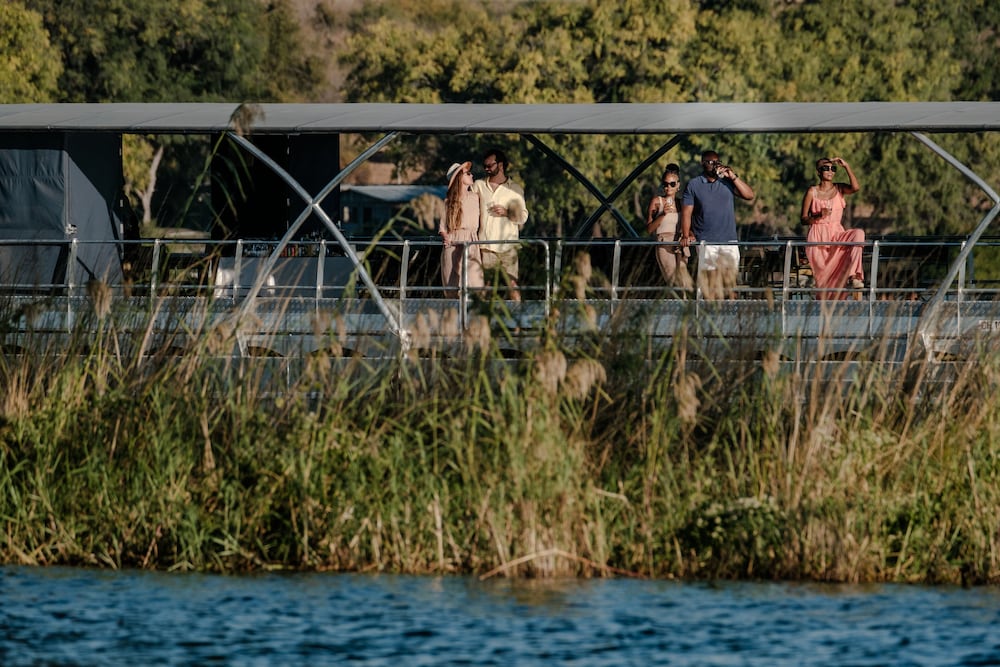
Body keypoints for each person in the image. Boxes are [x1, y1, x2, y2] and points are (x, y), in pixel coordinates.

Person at [679, 150, 755, 298]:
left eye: (717, 162)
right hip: (706, 241)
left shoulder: (727, 182)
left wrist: (732, 176)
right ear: (703, 163)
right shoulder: (694, 184)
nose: (715, 165)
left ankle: (732, 316)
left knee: (730, 285)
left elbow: (749, 195)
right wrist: (686, 234)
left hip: (729, 240)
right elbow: (687, 213)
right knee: (711, 285)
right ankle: (710, 316)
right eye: (711, 162)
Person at [800, 156, 863, 299]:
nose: (830, 171)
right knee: (824, 281)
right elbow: (803, 219)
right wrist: (817, 216)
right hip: (818, 237)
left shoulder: (839, 188)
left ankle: (854, 276)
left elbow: (855, 188)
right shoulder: (812, 191)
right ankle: (823, 309)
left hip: (836, 233)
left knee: (858, 234)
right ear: (818, 172)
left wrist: (846, 166)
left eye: (832, 168)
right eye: (825, 168)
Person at [472, 148, 529, 301]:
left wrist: (507, 212)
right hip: (486, 246)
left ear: (501, 165)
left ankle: (518, 320)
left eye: (489, 165)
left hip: (509, 246)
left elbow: (523, 216)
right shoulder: (478, 185)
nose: (486, 169)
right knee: (486, 286)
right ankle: (482, 321)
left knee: (512, 284)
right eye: (484, 166)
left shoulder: (515, 189)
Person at [440, 161, 484, 298]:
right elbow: (442, 226)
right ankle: (453, 317)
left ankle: (474, 318)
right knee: (452, 286)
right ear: (460, 178)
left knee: (475, 285)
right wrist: (445, 236)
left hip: (471, 242)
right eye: (468, 173)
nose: (472, 175)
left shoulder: (476, 197)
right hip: (453, 242)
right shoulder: (448, 201)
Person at [645, 163, 690, 286]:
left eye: (672, 184)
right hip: (664, 242)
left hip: (680, 242)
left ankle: (687, 304)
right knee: (672, 280)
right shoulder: (657, 201)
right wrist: (662, 214)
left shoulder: (682, 203)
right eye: (665, 184)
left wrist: (688, 235)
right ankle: (677, 304)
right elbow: (649, 229)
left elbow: (689, 223)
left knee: (684, 280)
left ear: (678, 186)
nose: (668, 187)